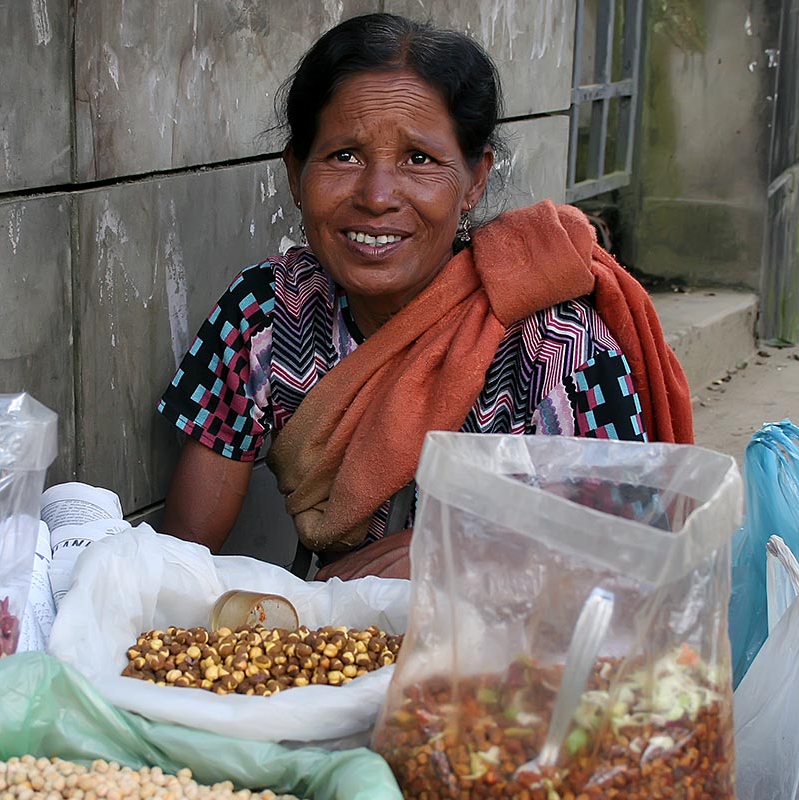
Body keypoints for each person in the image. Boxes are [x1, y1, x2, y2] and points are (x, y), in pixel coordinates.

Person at [156, 13, 692, 581]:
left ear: (475, 179)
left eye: (419, 159)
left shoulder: (555, 343)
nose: (378, 196)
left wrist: (458, 545)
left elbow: (633, 553)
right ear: (296, 173)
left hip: (514, 651)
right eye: (345, 155)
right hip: (339, 640)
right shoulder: (266, 312)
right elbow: (178, 556)